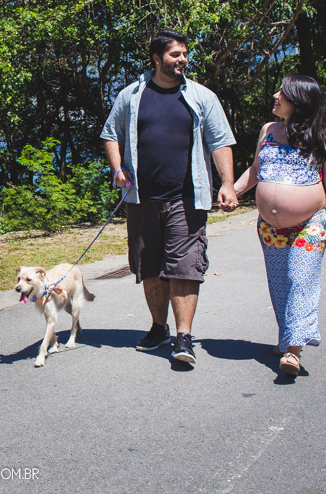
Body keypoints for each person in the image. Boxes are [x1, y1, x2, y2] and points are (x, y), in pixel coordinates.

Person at [100, 30, 238, 366]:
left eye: (184, 54)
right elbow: (110, 133)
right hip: (141, 199)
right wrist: (117, 169)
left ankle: (183, 336)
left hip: (186, 198)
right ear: (156, 58)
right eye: (175, 54)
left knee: (185, 267)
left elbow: (220, 141)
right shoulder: (132, 96)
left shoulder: (201, 96)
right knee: (148, 266)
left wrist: (228, 184)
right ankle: (158, 327)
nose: (183, 60)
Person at [232, 74, 326, 377]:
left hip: (310, 223)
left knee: (300, 278)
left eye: (283, 92)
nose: (275, 95)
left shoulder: (323, 135)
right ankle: (287, 337)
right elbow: (255, 169)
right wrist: (232, 191)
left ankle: (294, 350)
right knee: (280, 283)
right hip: (270, 228)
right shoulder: (268, 130)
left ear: (300, 100)